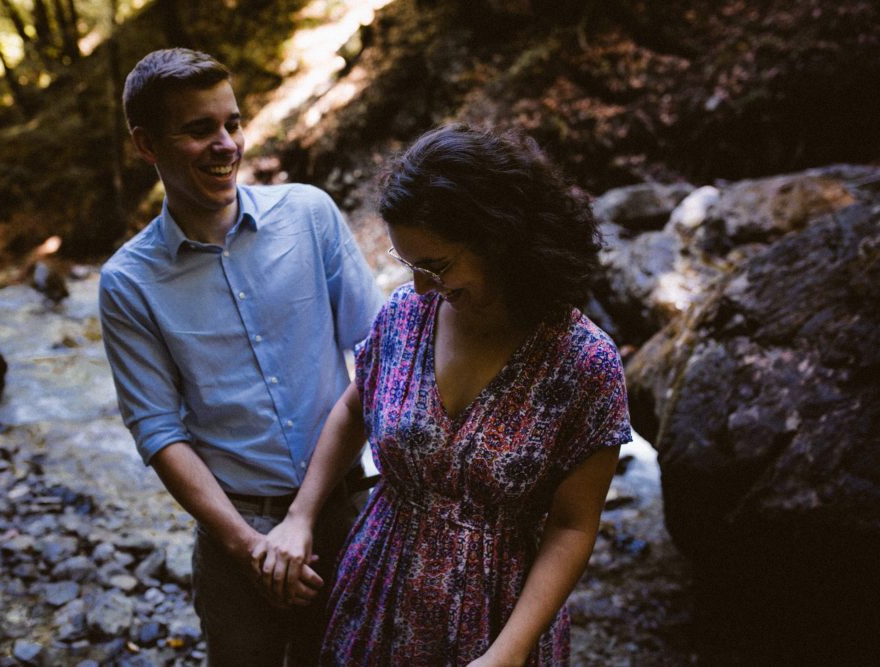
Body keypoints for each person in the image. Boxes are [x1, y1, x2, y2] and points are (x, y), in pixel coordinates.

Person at [259, 123, 632, 665]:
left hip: (500, 616)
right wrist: (301, 515)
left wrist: (509, 652)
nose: (420, 288)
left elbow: (573, 526)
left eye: (436, 266)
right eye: (410, 266)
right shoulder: (404, 318)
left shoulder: (585, 364)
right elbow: (353, 407)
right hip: (376, 588)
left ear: (500, 240)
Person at [97, 48, 383, 666]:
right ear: (148, 145)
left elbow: (381, 356)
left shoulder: (310, 215)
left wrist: (303, 517)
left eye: (233, 122)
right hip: (233, 536)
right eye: (200, 129)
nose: (227, 144)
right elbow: (157, 429)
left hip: (348, 509)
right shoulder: (128, 282)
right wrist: (249, 548)